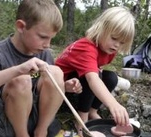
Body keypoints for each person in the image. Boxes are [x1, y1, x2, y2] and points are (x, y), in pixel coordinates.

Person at [0, 0, 82, 137]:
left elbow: (45, 86)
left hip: (35, 119)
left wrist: (63, 86)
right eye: (43, 37)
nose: (48, 45)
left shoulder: (43, 53)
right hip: (6, 124)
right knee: (22, 81)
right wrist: (18, 69)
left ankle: (41, 132)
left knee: (56, 72)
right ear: (21, 26)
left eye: (51, 39)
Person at [55, 6, 135, 136]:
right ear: (101, 29)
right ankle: (82, 120)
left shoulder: (109, 49)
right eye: (114, 38)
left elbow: (98, 70)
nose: (117, 45)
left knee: (111, 78)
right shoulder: (86, 47)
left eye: (122, 42)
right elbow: (92, 79)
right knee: (93, 76)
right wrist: (113, 104)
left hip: (78, 81)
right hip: (62, 86)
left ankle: (92, 111)